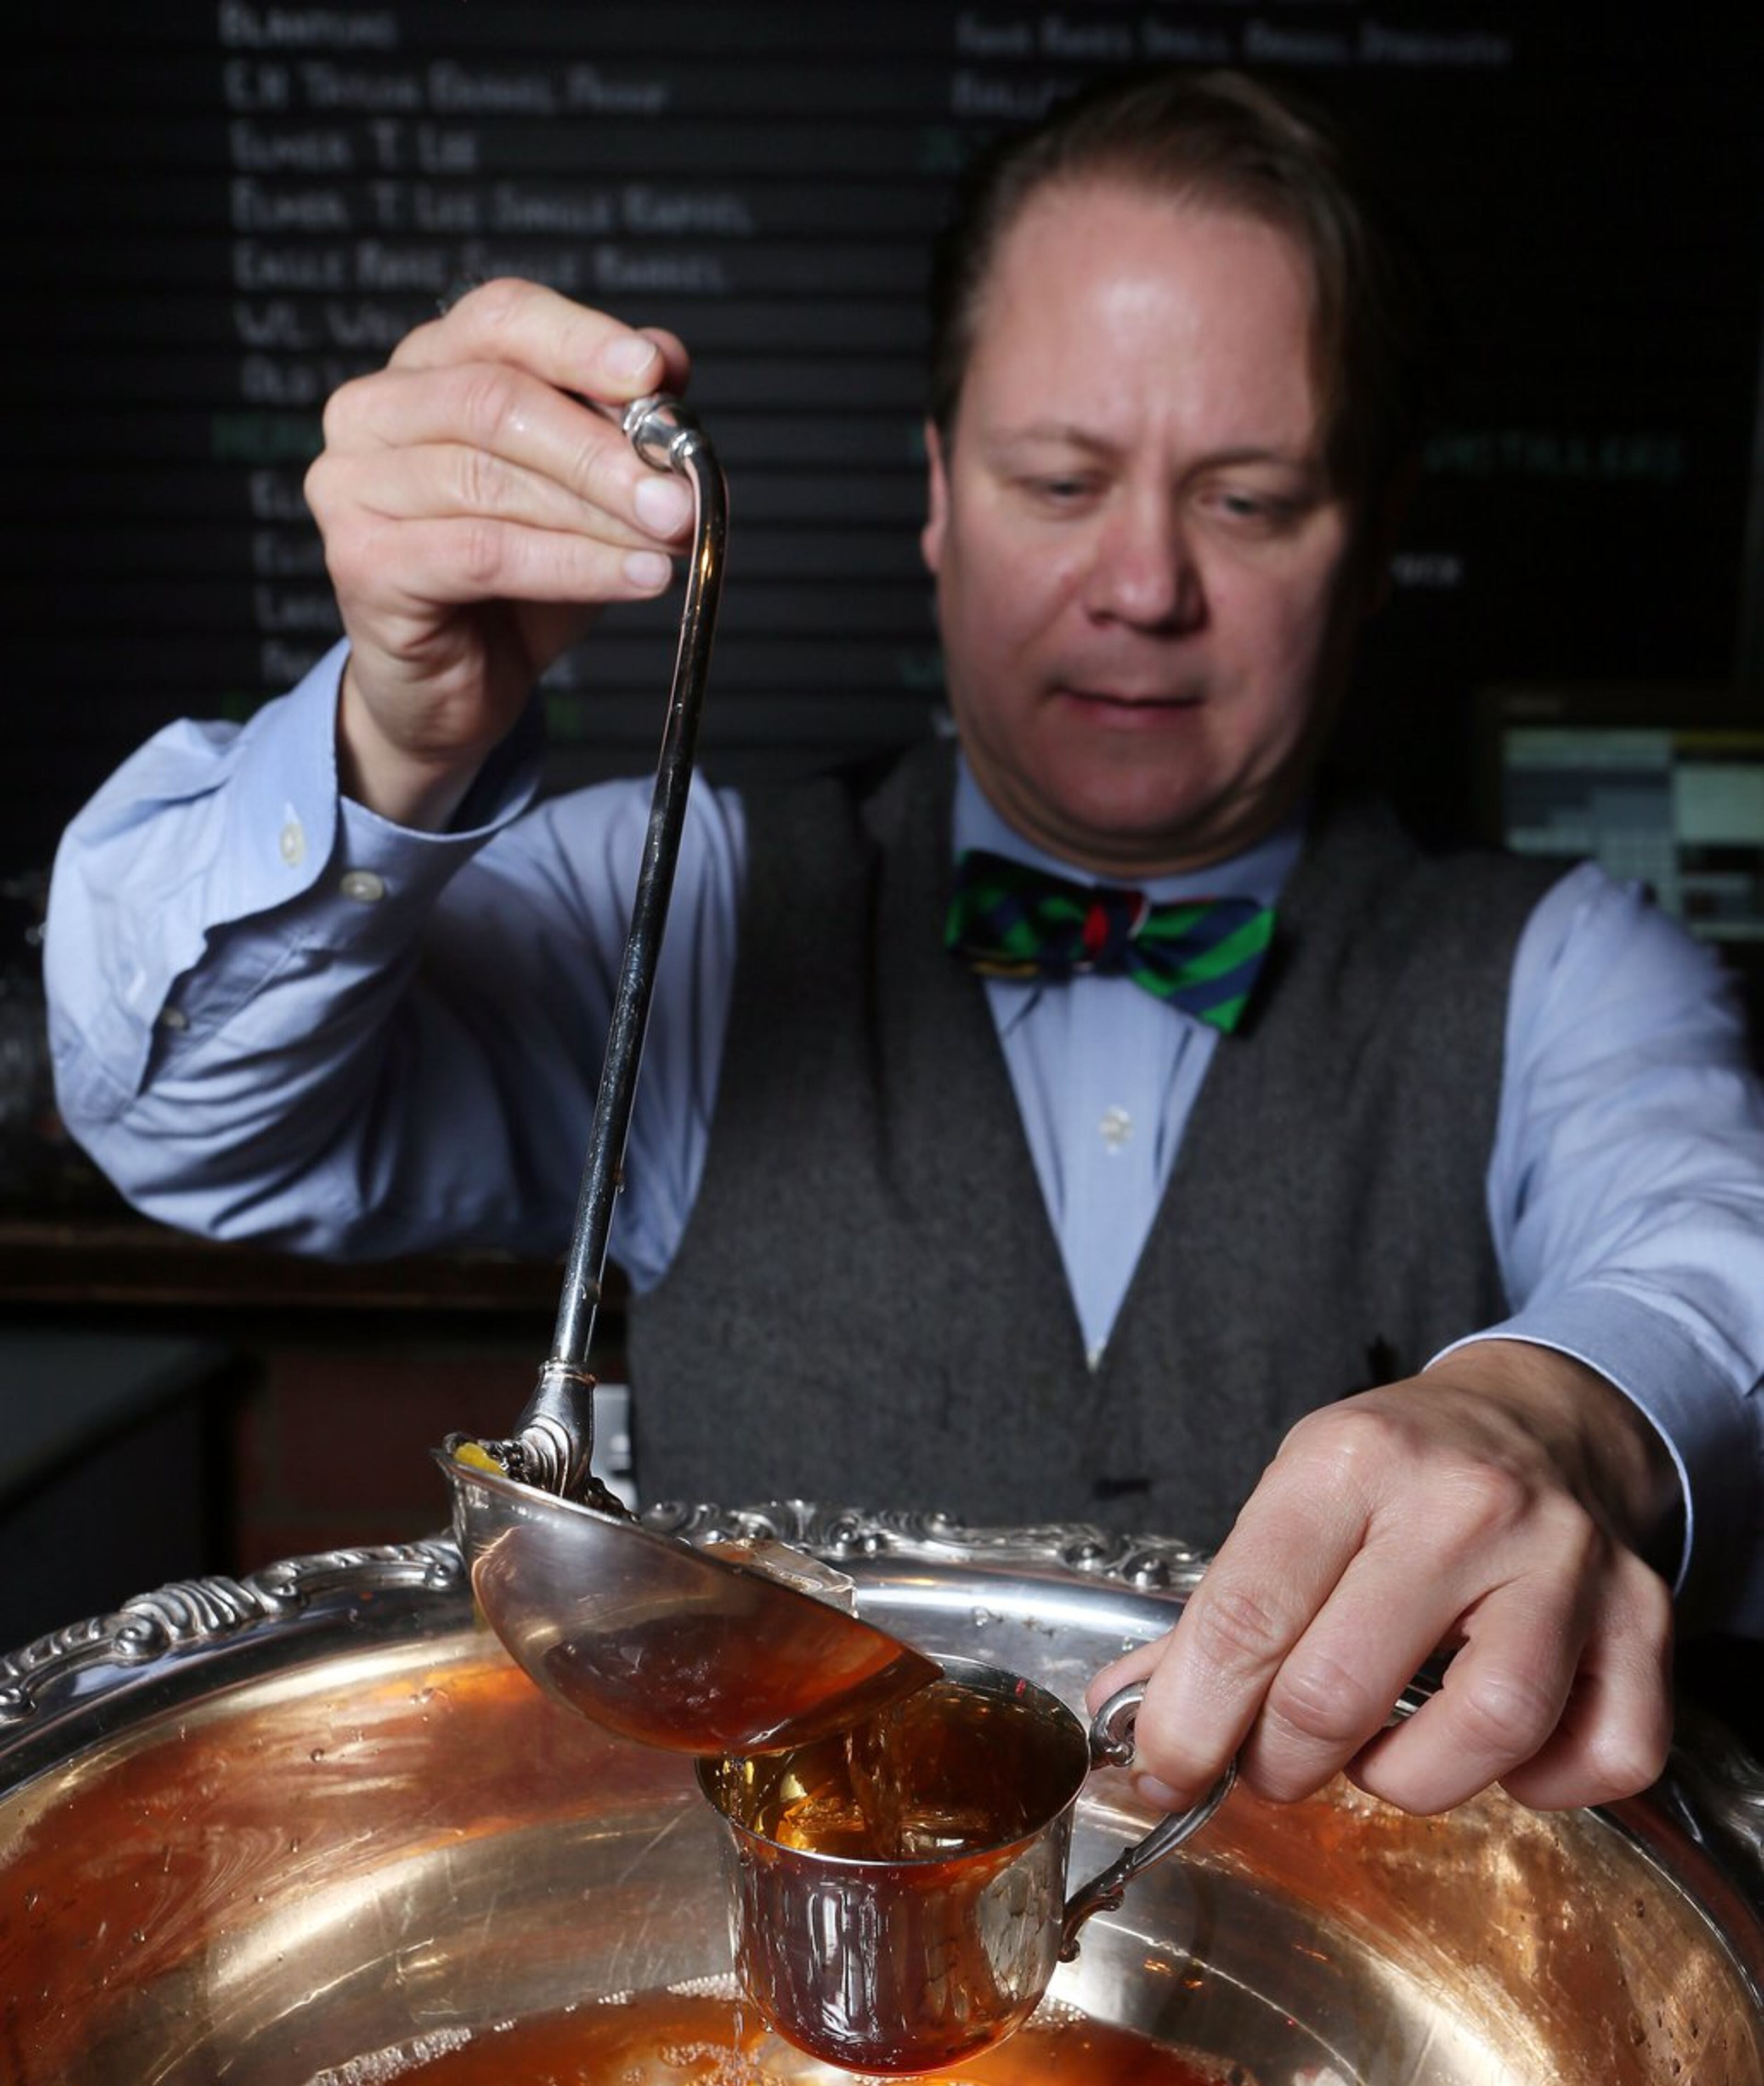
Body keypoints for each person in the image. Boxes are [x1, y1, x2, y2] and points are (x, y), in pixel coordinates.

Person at [44, 72, 1764, 1825]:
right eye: (1059, 478)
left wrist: (1559, 1417)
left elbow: (1714, 1246)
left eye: (1249, 501)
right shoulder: (693, 889)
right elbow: (188, 1119)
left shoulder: (1568, 962)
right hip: (771, 2044)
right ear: (940, 495)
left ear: (1380, 535)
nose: (1142, 584)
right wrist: (394, 736)